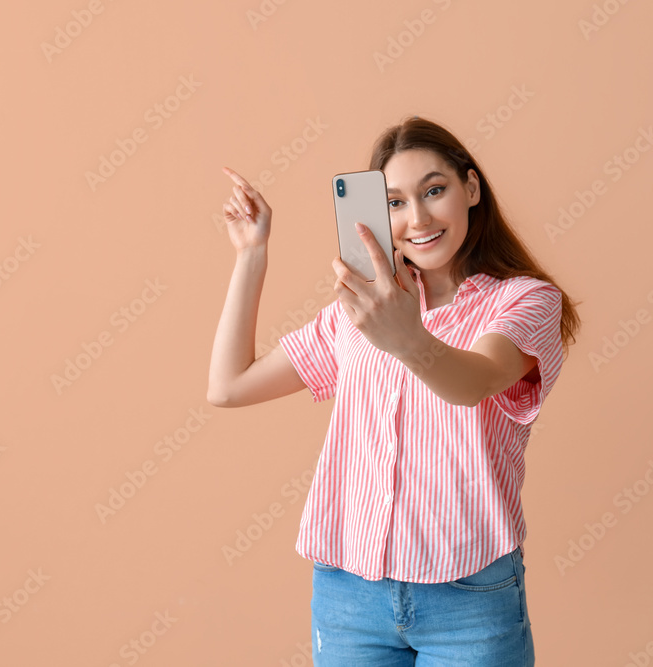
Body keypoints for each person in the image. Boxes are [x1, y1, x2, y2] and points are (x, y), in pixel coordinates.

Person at [207, 116, 582, 666]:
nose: (418, 218)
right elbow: (228, 385)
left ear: (470, 189)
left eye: (434, 190)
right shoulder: (357, 316)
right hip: (349, 594)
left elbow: (474, 382)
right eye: (395, 202)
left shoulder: (524, 302)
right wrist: (251, 254)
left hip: (469, 597)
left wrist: (406, 337)